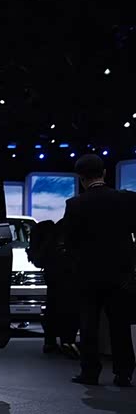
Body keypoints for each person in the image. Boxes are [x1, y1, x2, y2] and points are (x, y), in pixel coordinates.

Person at [64, 153, 136, 387]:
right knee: (120, 324)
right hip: (120, 274)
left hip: (88, 275)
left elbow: (69, 242)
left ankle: (90, 372)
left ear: (81, 178)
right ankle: (123, 373)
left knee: (89, 325)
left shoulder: (75, 204)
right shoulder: (126, 199)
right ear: (104, 173)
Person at [28, 218, 80, 357]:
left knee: (53, 306)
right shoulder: (70, 227)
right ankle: (67, 341)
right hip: (67, 273)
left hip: (53, 273)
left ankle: (51, 341)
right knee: (70, 308)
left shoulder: (56, 228)